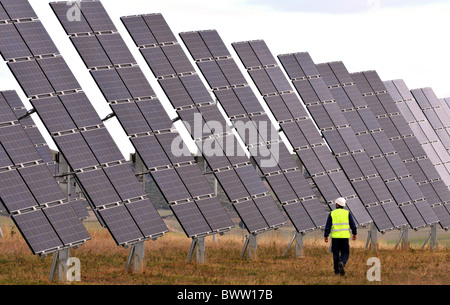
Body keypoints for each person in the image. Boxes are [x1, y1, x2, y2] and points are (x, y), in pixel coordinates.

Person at [324, 197, 357, 276]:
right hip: (344, 237)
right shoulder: (347, 213)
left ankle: (337, 272)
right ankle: (342, 262)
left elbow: (328, 226)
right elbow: (353, 225)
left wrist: (326, 235)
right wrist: (354, 234)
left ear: (337, 205)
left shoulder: (332, 213)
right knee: (345, 253)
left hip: (335, 238)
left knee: (335, 254)